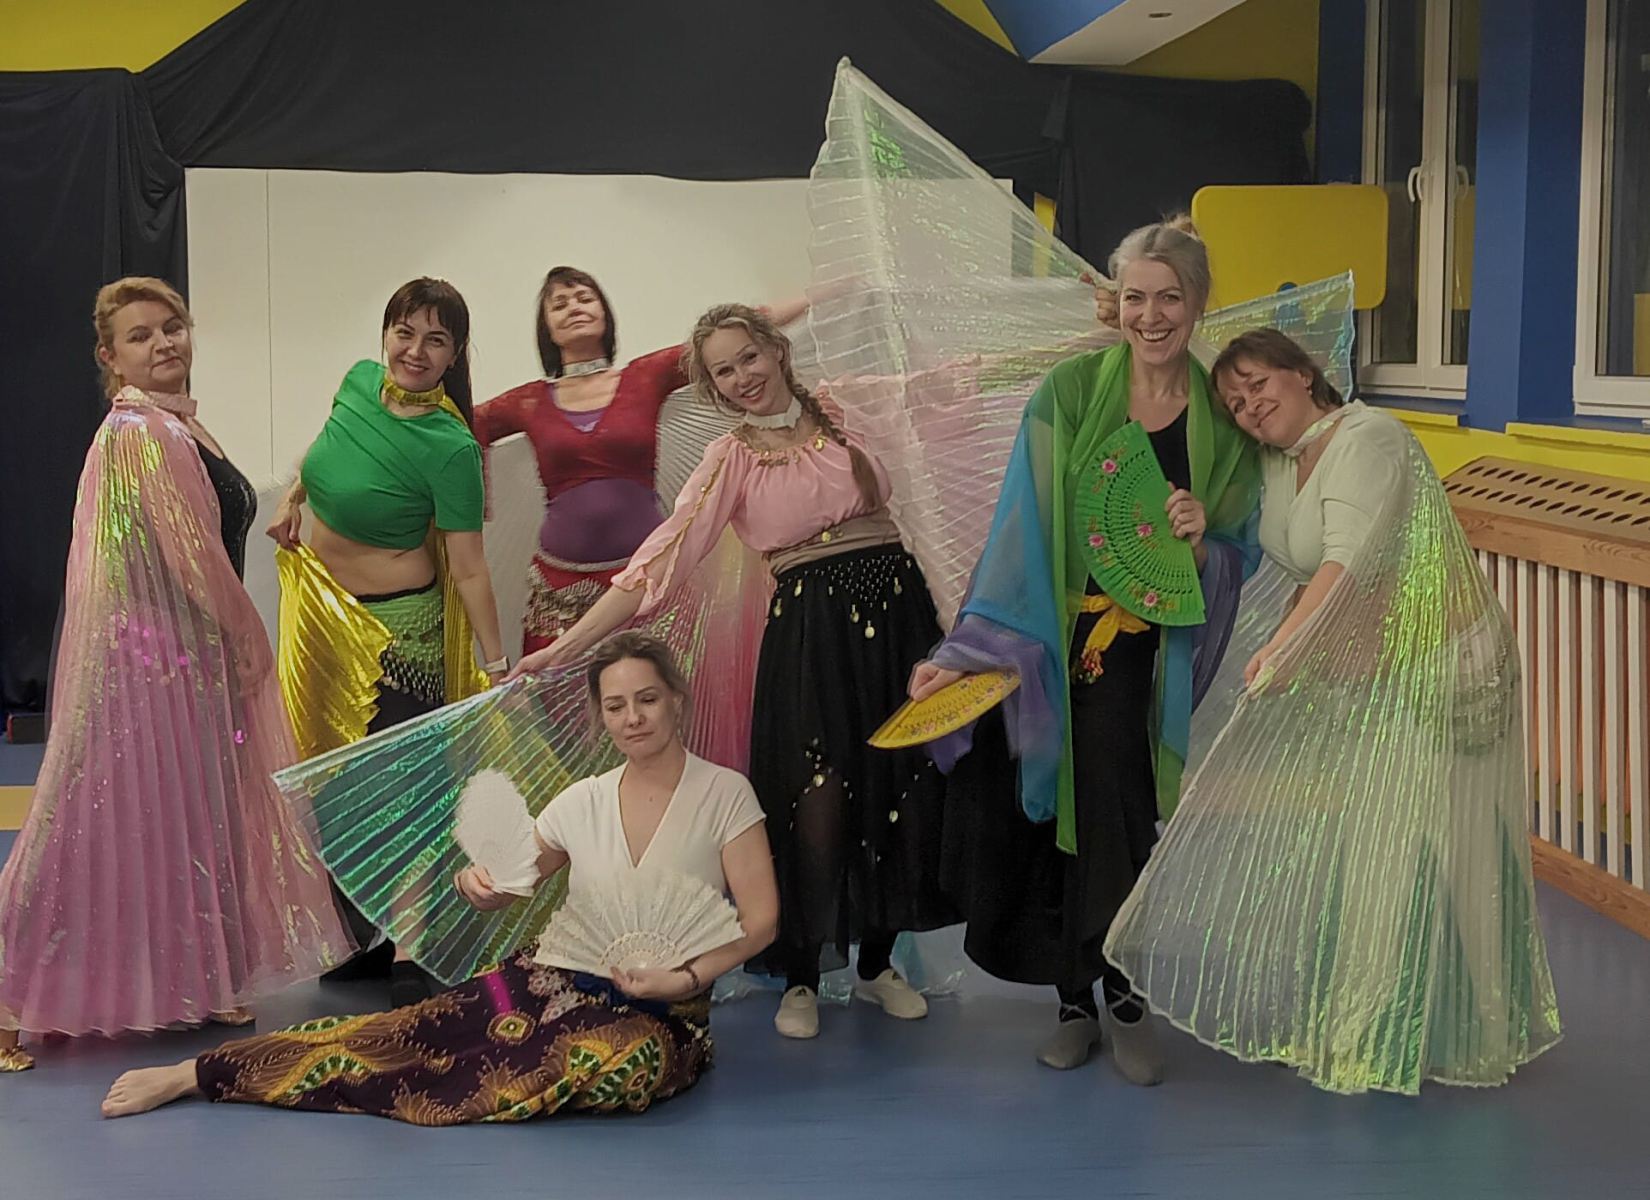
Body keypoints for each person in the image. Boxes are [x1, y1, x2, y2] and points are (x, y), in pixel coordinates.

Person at [1102, 329, 1562, 1095]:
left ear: (1304, 373)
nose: (1249, 406)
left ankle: (1433, 1026)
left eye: (1259, 385)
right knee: (1369, 841)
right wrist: (1124, 334)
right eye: (1235, 402)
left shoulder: (1369, 438)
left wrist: (1285, 650)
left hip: (1443, 666)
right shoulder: (1283, 462)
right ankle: (1361, 1020)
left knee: (1434, 844)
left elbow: (1347, 564)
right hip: (1372, 668)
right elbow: (1302, 569)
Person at [100, 632, 779, 1123]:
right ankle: (204, 1072)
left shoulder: (725, 794)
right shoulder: (583, 800)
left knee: (609, 1065)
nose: (632, 718)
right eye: (616, 705)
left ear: (676, 700)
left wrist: (685, 980)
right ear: (600, 715)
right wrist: (475, 885)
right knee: (408, 1033)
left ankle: (473, 1075)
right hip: (553, 979)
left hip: (662, 1015)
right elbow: (508, 885)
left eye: (647, 700)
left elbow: (760, 921)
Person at [512, 304, 957, 1039]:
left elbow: (944, 386)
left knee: (899, 791)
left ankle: (878, 964)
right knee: (817, 801)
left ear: (776, 350)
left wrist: (1102, 332)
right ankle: (803, 974)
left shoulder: (849, 411)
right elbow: (659, 560)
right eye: (723, 371)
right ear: (713, 386)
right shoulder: (731, 459)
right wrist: (567, 646)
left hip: (897, 618)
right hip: (810, 635)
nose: (742, 377)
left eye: (749, 357)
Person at [905, 219, 1261, 1083]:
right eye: (1136, 296)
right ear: (1117, 302)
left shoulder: (1223, 418)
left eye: (1170, 297)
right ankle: (1075, 999)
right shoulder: (1068, 392)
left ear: (1198, 304)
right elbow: (1018, 528)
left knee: (1120, 807)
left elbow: (1238, 547)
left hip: (1144, 656)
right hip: (1049, 644)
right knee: (1054, 813)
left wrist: (1202, 541)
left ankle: (1125, 994)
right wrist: (966, 650)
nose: (1152, 315)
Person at [0, 278, 351, 1073]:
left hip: (189, 664)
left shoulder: (179, 423)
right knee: (82, 819)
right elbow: (192, 558)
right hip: (148, 666)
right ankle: (7, 995)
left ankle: (204, 975)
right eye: (140, 335)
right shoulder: (139, 432)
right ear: (109, 356)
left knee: (198, 816)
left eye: (172, 327)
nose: (163, 343)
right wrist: (247, 632)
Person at [266, 278, 507, 1005]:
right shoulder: (356, 383)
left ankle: (411, 941)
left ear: (454, 355)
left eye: (436, 340)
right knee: (337, 789)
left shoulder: (451, 446)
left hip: (400, 636)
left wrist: (497, 663)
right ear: (386, 334)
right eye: (405, 332)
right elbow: (322, 457)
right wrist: (293, 497)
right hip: (325, 623)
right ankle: (363, 938)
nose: (415, 351)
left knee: (405, 789)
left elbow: (469, 567)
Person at [475, 266, 806, 654]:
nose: (574, 308)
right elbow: (465, 422)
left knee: (661, 687)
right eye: (559, 304)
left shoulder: (644, 377)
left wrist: (825, 294)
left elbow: (736, 335)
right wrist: (476, 505)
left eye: (584, 298)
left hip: (648, 575)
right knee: (555, 687)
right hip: (560, 591)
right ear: (546, 328)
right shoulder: (528, 401)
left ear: (604, 313)